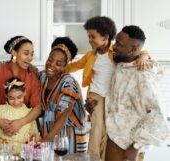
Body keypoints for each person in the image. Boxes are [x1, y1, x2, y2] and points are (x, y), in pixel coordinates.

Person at [64, 16, 150, 160]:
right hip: (96, 95)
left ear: (105, 37)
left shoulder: (116, 51)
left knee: (109, 131)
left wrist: (144, 57)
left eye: (93, 37)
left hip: (112, 97)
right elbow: (74, 66)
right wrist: (58, 68)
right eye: (89, 37)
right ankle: (93, 157)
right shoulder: (90, 55)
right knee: (97, 130)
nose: (90, 40)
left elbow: (140, 51)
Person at [105, 25, 169, 161]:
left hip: (126, 146)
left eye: (119, 44)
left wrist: (135, 146)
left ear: (133, 49)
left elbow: (158, 115)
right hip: (113, 139)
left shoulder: (142, 75)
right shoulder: (123, 64)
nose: (114, 47)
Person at [39, 37, 87, 154]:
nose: (51, 64)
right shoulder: (43, 77)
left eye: (58, 63)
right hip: (49, 130)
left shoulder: (68, 83)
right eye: (50, 59)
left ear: (65, 66)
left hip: (68, 135)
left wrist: (47, 140)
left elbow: (64, 115)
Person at [0, 36, 41, 136]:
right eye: (26, 53)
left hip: (23, 132)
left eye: (32, 54)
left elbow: (37, 107)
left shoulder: (32, 76)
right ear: (14, 53)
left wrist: (20, 123)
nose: (30, 58)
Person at [0, 77, 40, 154]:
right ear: (6, 95)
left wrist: (35, 140)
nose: (16, 102)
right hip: (1, 151)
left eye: (19, 97)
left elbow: (34, 135)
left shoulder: (29, 113)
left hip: (21, 152)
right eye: (11, 98)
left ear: (25, 93)